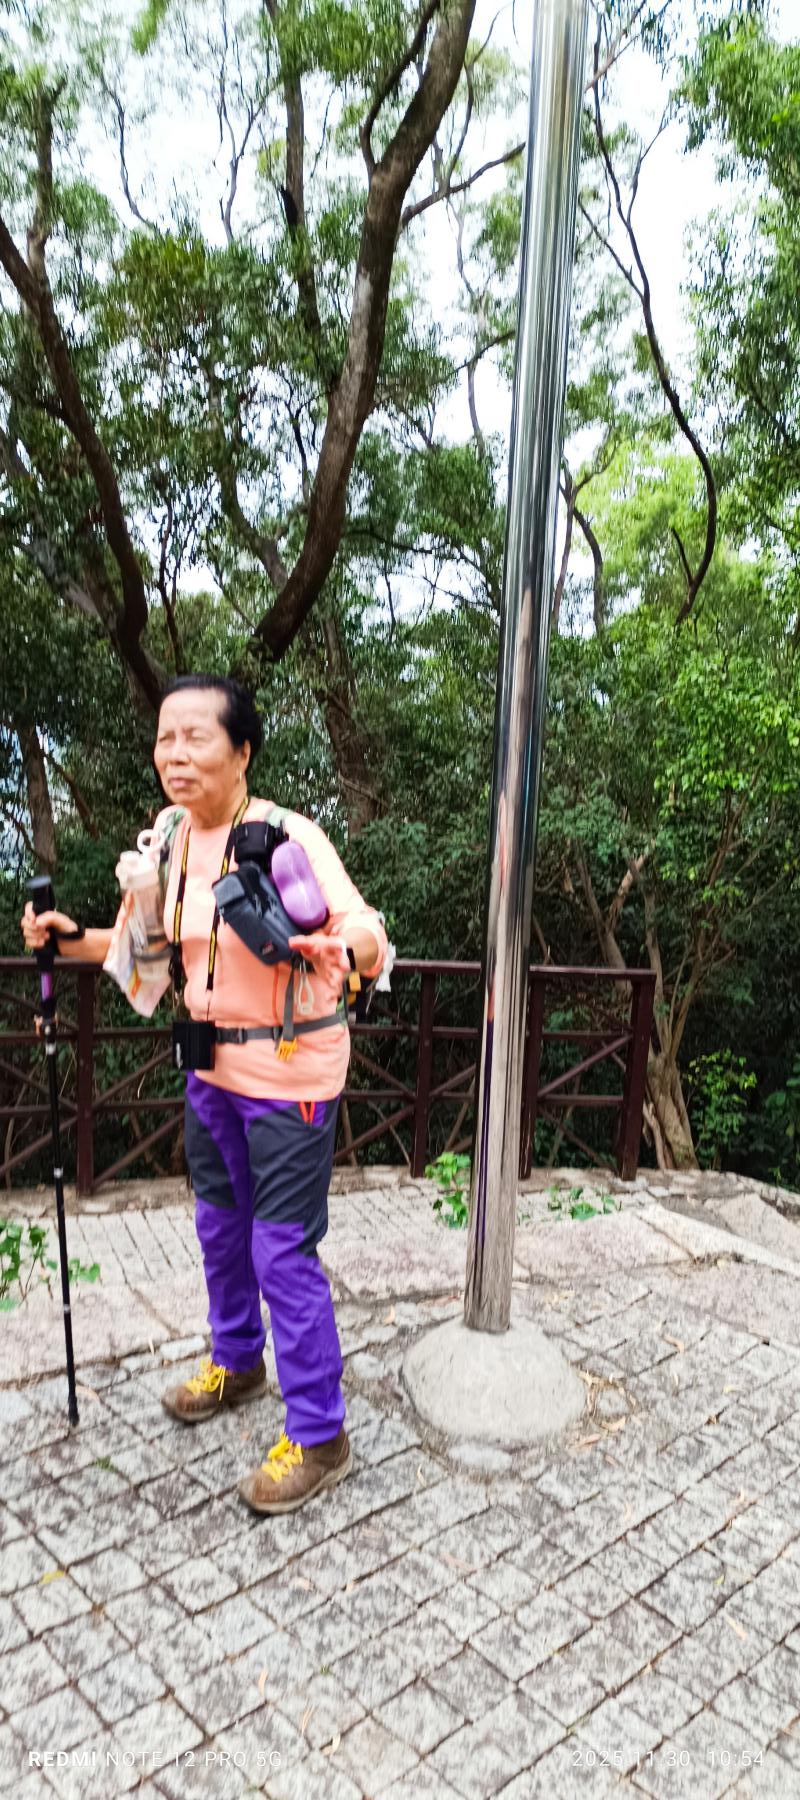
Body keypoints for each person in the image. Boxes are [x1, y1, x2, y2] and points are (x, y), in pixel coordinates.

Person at [21, 674, 388, 1516]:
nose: (175, 754)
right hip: (210, 1072)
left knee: (280, 1250)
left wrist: (350, 952)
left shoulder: (288, 835)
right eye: (165, 738)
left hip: (291, 1075)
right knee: (221, 1229)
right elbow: (140, 953)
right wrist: (70, 940)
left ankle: (321, 1434)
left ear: (242, 750)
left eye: (196, 737)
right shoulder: (168, 843)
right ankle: (238, 1360)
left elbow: (366, 929)